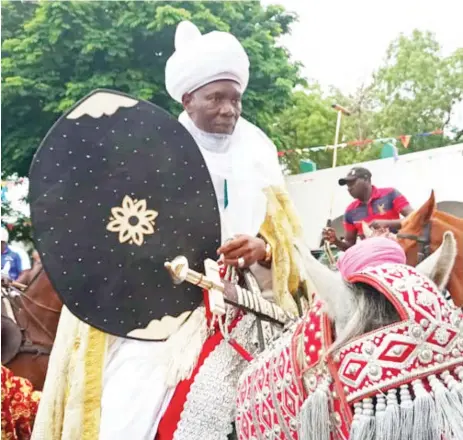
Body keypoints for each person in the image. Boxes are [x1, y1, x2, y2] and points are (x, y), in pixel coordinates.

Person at [32, 21, 310, 440]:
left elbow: (289, 241)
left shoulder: (260, 153)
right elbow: (117, 234)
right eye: (215, 98)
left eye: (235, 98)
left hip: (248, 303)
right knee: (130, 402)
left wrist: (263, 248)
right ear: (187, 99)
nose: (228, 109)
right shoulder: (148, 148)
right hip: (157, 308)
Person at [323, 167, 413, 251]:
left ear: (366, 180)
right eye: (348, 185)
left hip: (398, 251)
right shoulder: (350, 211)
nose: (349, 188)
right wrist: (335, 241)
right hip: (370, 257)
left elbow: (415, 218)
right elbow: (350, 246)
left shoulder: (390, 194)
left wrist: (386, 223)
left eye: (353, 183)